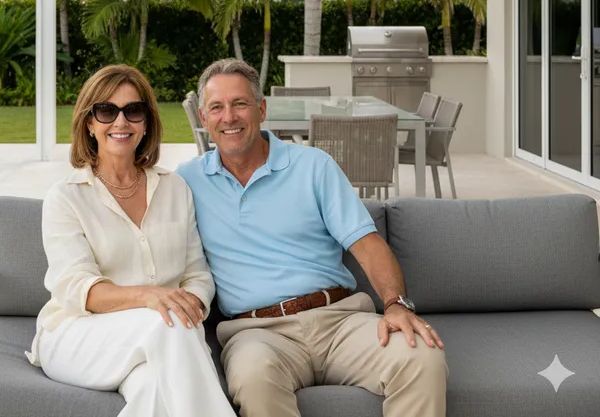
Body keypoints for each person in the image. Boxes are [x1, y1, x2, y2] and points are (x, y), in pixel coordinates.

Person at [177, 58, 448, 417]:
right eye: (217, 107)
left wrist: (396, 303)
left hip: (340, 320)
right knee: (254, 377)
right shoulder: (186, 182)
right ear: (203, 116)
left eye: (240, 103)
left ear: (260, 108)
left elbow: (368, 245)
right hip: (258, 334)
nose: (229, 117)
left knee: (422, 357)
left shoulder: (313, 166)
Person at [27, 64, 235, 417]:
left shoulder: (174, 188)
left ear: (146, 123)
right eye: (106, 111)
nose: (120, 122)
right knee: (166, 322)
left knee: (153, 393)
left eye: (133, 111)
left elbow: (197, 276)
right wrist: (154, 299)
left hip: (165, 336)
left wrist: (190, 308)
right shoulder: (66, 197)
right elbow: (80, 290)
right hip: (79, 336)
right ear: (89, 123)